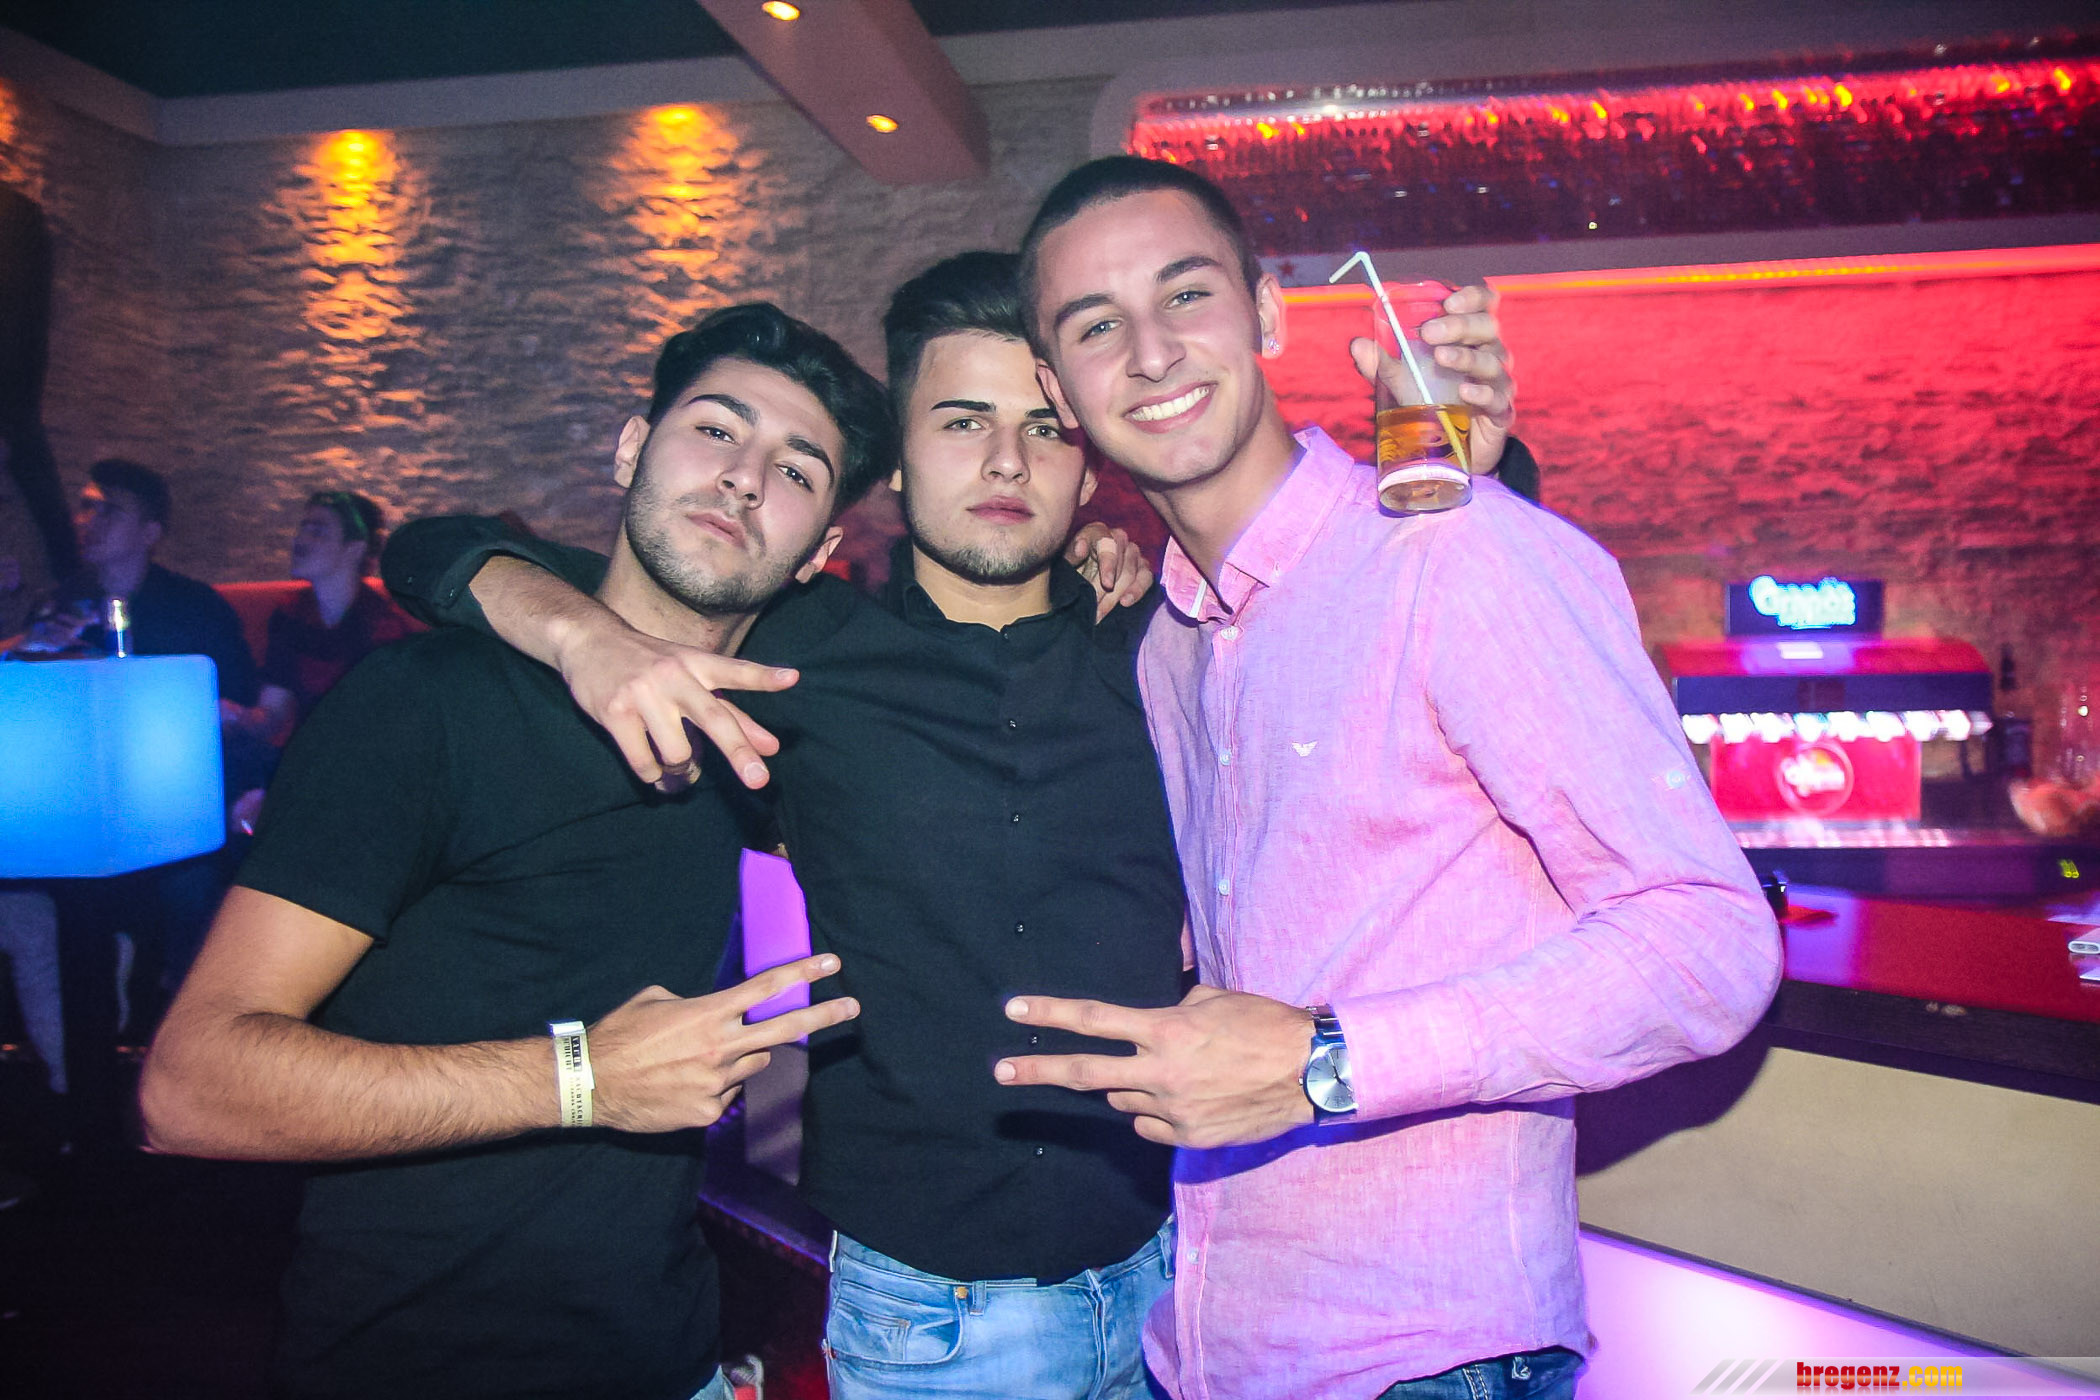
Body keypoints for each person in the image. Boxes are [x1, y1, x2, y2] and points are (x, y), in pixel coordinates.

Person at [989, 156, 1783, 1400]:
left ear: (1265, 312)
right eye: (1096, 325)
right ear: (1057, 386)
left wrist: (1327, 1060)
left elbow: (1710, 944)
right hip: (1212, 1350)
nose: (1149, 352)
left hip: (1428, 1358)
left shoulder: (1460, 555)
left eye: (1186, 294)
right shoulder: (1170, 647)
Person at [381, 253, 1192, 1400]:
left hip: (1181, 1272)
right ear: (897, 463)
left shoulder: (1162, 641)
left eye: (1045, 428)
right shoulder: (794, 648)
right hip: (932, 1315)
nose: (1007, 460)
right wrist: (584, 637)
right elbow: (431, 551)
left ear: (1090, 462)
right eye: (963, 420)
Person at [138, 303, 877, 1400]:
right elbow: (188, 1088)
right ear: (632, 449)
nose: (743, 476)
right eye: (716, 429)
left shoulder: (759, 723)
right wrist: (584, 1079)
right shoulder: (426, 703)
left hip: (670, 1355)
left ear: (819, 551)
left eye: (797, 468)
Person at [229, 489, 415, 742]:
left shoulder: (383, 626)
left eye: (317, 532)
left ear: (354, 549)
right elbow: (273, 712)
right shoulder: (291, 612)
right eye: (302, 529)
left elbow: (390, 726)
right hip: (306, 754)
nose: (299, 540)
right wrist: (236, 716)